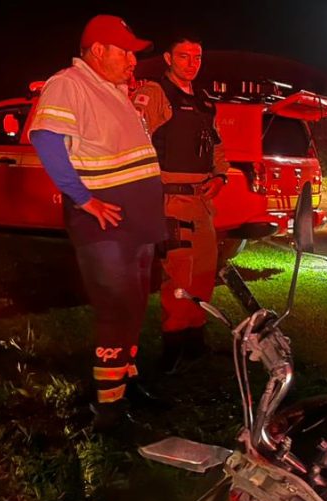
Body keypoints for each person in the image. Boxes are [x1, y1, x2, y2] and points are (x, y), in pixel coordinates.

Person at [28, 15, 165, 431]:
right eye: (124, 51)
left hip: (135, 223)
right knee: (115, 308)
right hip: (107, 228)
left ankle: (127, 379)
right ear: (98, 50)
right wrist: (84, 199)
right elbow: (46, 140)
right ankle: (108, 409)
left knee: (136, 303)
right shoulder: (70, 83)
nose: (132, 60)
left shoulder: (114, 90)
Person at [133, 37, 229, 375]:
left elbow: (216, 144)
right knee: (179, 274)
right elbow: (136, 142)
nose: (191, 63)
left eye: (197, 57)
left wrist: (220, 176)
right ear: (168, 58)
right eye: (184, 56)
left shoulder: (202, 101)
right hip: (170, 199)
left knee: (204, 271)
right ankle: (173, 345)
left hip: (201, 201)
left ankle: (195, 341)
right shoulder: (155, 94)